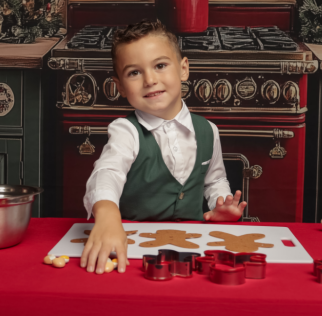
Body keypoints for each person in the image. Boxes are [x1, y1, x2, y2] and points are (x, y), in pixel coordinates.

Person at [81, 20, 246, 274]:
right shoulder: (125, 131)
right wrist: (107, 215)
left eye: (160, 65)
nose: (149, 80)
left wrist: (220, 205)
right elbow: (107, 173)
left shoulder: (208, 130)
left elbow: (214, 181)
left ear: (183, 69)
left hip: (192, 250)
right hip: (132, 249)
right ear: (120, 86)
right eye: (134, 72)